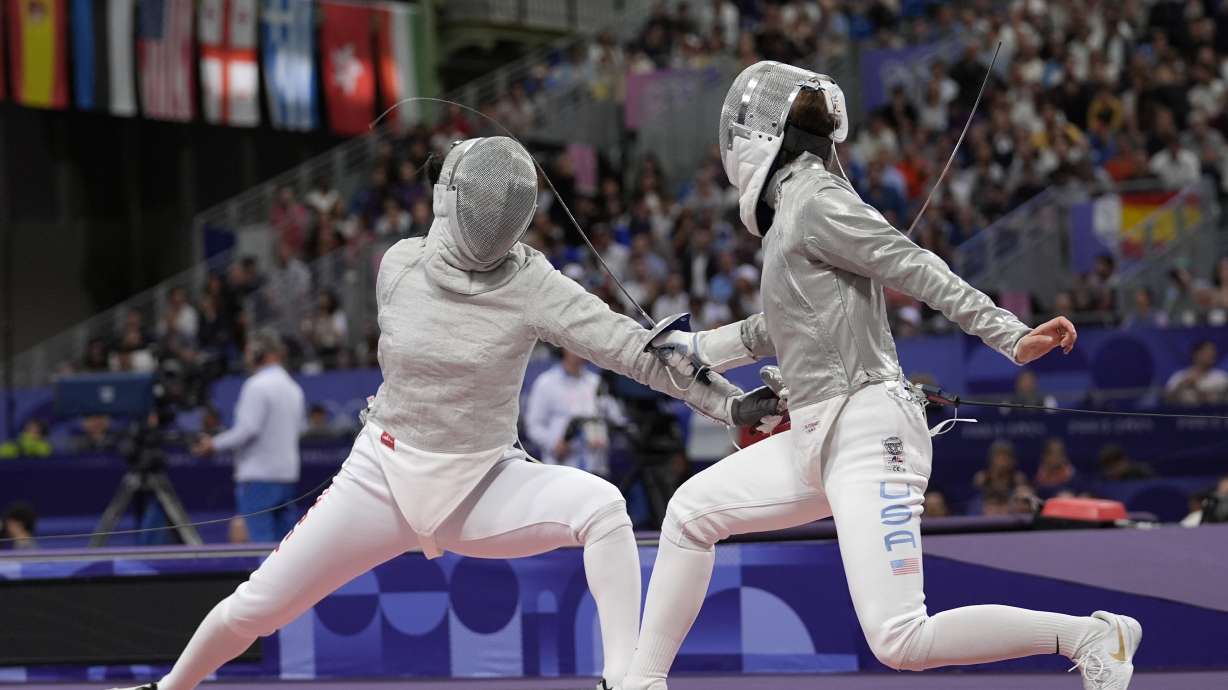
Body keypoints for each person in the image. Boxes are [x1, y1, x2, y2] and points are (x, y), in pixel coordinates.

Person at [114, 137, 778, 690]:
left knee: (603, 510)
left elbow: (635, 350)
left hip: (480, 481)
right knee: (256, 605)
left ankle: (625, 682)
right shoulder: (399, 266)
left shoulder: (527, 282)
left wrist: (728, 403)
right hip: (381, 476)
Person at [624, 63, 1140, 690]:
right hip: (818, 437)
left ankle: (1091, 636)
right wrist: (697, 347)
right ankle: (638, 682)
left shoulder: (817, 199)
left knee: (900, 637)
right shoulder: (792, 212)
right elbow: (781, 323)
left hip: (869, 432)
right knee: (688, 513)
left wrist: (1007, 333)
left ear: (757, 136)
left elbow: (912, 263)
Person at [191, 329, 307, 543]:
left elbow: (247, 430)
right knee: (285, 547)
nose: (246, 357)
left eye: (248, 351)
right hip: (287, 476)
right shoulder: (294, 388)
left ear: (260, 352)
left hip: (259, 478)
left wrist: (213, 444)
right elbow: (301, 429)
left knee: (261, 543)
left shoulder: (256, 385)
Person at [525, 348, 613, 477]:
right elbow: (534, 425)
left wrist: (603, 435)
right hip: (561, 466)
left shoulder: (596, 382)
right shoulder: (546, 383)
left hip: (594, 465)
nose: (578, 351)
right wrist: (553, 444)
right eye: (573, 346)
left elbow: (611, 418)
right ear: (563, 348)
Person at [1164, 340, 1228, 406]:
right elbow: (1167, 399)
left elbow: (1222, 401)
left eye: (1213, 352)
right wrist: (1181, 386)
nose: (1212, 354)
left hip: (1212, 412)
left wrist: (1198, 391)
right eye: (1207, 352)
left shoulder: (1221, 377)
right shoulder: (1180, 376)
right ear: (1196, 354)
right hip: (1184, 411)